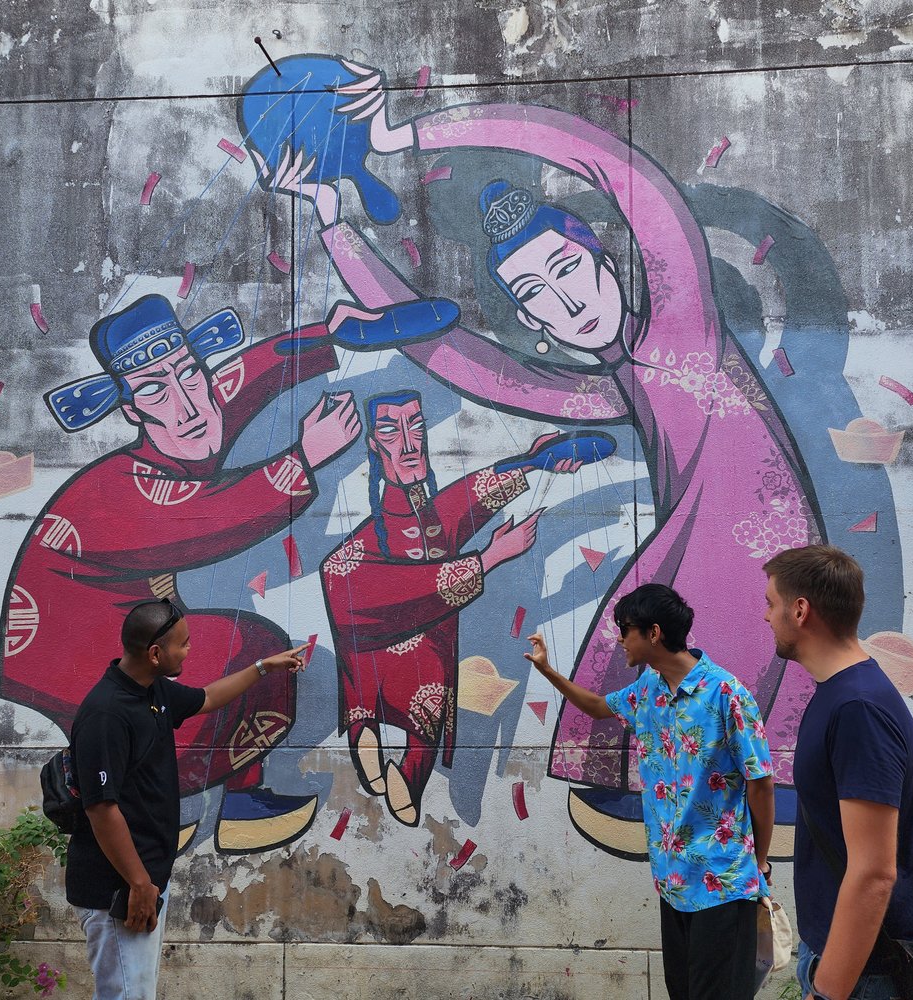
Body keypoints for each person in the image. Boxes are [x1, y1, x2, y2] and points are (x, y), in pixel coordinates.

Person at [257, 62, 828, 855]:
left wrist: (405, 135)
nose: (565, 303)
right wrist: (332, 225)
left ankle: (738, 790)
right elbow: (459, 356)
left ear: (604, 259)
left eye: (567, 270)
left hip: (747, 547)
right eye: (536, 298)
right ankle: (686, 788)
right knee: (638, 631)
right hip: (706, 549)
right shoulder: (613, 384)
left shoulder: (682, 322)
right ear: (537, 324)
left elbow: (608, 164)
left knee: (654, 627)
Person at [0, 292, 371, 852]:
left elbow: (241, 380)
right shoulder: (119, 489)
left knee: (253, 653)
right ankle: (162, 807)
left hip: (125, 643)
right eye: (154, 391)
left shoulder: (189, 412)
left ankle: (234, 802)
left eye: (190, 377)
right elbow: (218, 516)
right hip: (72, 663)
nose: (188, 406)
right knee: (237, 657)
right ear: (131, 411)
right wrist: (306, 456)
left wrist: (330, 335)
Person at [321, 389, 585, 825]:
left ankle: (396, 753)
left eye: (416, 426)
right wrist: (492, 557)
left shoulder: (434, 513)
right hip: (364, 586)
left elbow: (467, 499)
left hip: (422, 597)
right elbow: (357, 578)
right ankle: (365, 723)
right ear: (373, 443)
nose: (408, 443)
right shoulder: (380, 529)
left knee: (431, 643)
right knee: (362, 590)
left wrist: (531, 461)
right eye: (390, 429)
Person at [525, 583, 775, 1000]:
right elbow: (598, 706)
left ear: (653, 633)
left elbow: (760, 782)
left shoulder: (726, 693)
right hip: (673, 880)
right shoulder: (648, 691)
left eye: (625, 628)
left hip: (724, 881)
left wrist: (761, 861)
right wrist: (547, 671)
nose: (619, 638)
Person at [66, 598, 308, 1000]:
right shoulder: (106, 714)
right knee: (126, 995)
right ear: (156, 653)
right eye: (184, 644)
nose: (190, 650)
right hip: (117, 887)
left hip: (142, 881)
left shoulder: (151, 689)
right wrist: (139, 883)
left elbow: (207, 698)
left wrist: (264, 667)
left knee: (133, 992)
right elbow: (101, 808)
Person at [762, 545, 913, 1000]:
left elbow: (875, 872)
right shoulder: (847, 693)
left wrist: (827, 990)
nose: (766, 617)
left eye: (771, 603)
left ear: (800, 610)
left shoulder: (857, 708)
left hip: (862, 977)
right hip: (849, 965)